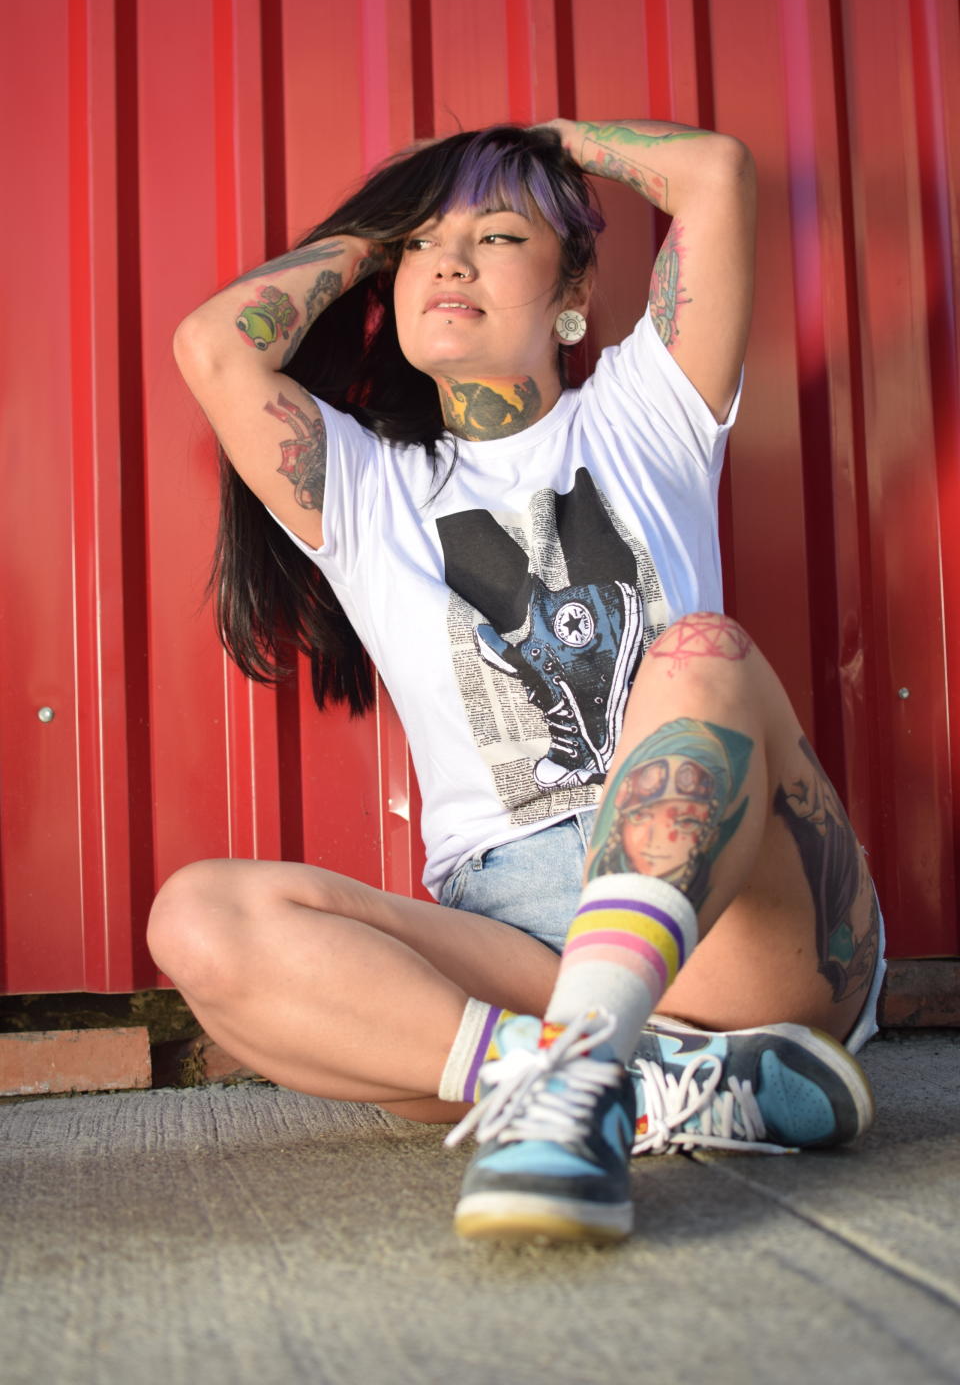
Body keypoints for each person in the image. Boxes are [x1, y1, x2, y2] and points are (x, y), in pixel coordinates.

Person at [147, 120, 884, 1245]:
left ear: (573, 290)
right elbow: (213, 345)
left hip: (736, 927)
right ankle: (639, 1086)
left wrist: (538, 144)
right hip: (517, 936)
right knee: (198, 922)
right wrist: (392, 226)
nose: (449, 262)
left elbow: (715, 174)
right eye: (422, 248)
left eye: (496, 236)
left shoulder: (646, 415)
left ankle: (569, 1076)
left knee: (699, 656)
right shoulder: (367, 491)